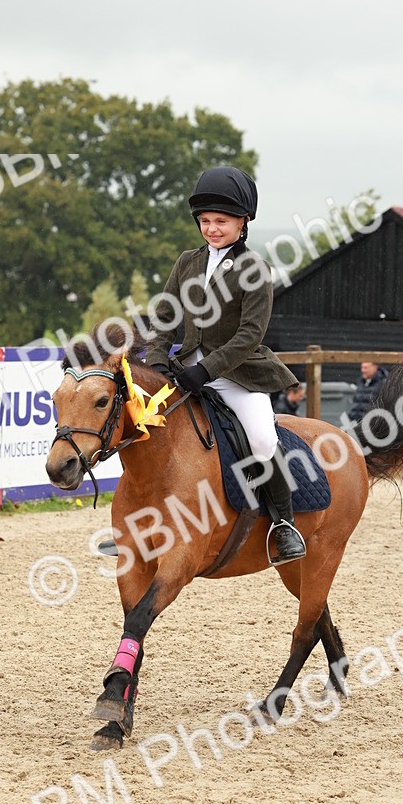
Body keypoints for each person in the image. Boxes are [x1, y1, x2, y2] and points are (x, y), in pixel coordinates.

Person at [144, 165, 306, 564]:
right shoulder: (187, 262)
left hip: (238, 374)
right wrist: (156, 360)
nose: (212, 229)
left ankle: (284, 525)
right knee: (143, 428)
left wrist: (206, 369)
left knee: (264, 439)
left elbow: (250, 335)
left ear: (242, 222)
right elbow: (165, 317)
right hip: (185, 371)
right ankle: (139, 524)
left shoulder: (254, 269)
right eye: (205, 221)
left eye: (221, 221)